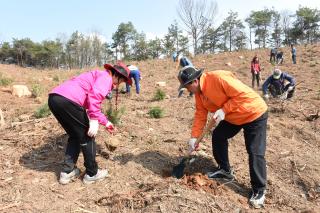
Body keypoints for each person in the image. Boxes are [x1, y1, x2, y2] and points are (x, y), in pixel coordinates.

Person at [177, 66, 268, 208]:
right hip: (234, 117)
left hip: (253, 112)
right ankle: (225, 170)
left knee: (254, 151)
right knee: (218, 136)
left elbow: (243, 95)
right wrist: (194, 137)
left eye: (187, 86)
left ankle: (259, 190)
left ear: (194, 81)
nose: (187, 90)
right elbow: (200, 114)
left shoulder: (218, 78)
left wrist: (224, 109)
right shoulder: (198, 93)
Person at [48, 61, 132, 185]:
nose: (118, 85)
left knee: (75, 135)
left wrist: (106, 122)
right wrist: (93, 119)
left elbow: (90, 101)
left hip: (55, 99)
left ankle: (67, 171)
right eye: (121, 81)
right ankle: (92, 173)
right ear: (117, 76)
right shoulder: (106, 77)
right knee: (88, 135)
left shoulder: (98, 75)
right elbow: (94, 97)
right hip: (69, 100)